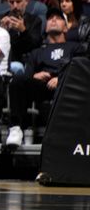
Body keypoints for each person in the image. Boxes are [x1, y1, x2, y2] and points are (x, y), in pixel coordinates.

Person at [6, 11, 82, 148]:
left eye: (58, 18)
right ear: (46, 28)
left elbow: (80, 69)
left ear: (65, 28)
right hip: (42, 87)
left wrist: (62, 78)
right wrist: (35, 76)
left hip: (67, 87)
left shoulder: (75, 47)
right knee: (17, 81)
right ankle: (16, 128)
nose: (53, 20)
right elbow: (27, 75)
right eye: (50, 18)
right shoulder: (37, 52)